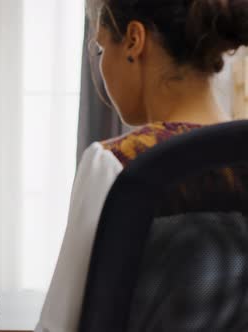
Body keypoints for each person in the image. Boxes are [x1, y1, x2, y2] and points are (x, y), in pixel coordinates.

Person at [36, 0, 248, 331]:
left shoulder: (116, 163)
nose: (102, 67)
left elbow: (57, 326)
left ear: (134, 40)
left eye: (101, 49)